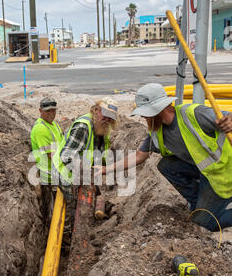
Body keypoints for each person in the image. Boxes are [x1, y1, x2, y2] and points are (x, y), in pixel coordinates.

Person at [94, 83, 232, 232]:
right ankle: (197, 203)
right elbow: (140, 155)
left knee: (204, 222)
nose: (144, 118)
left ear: (158, 111)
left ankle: (203, 213)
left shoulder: (193, 114)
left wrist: (230, 119)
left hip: (223, 173)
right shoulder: (156, 131)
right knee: (166, 165)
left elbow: (226, 117)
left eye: (146, 115)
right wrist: (107, 169)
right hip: (205, 171)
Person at [52, 98, 118, 199]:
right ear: (96, 110)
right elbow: (67, 156)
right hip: (65, 176)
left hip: (81, 173)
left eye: (111, 117)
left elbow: (98, 153)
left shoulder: (102, 127)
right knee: (74, 209)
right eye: (106, 114)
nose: (108, 119)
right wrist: (87, 176)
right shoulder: (83, 126)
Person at [30, 97, 64, 223]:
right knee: (54, 211)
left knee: (61, 208)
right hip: (49, 177)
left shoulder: (54, 125)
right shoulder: (40, 129)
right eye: (48, 111)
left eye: (53, 110)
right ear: (40, 111)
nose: (51, 114)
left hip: (58, 173)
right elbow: (53, 156)